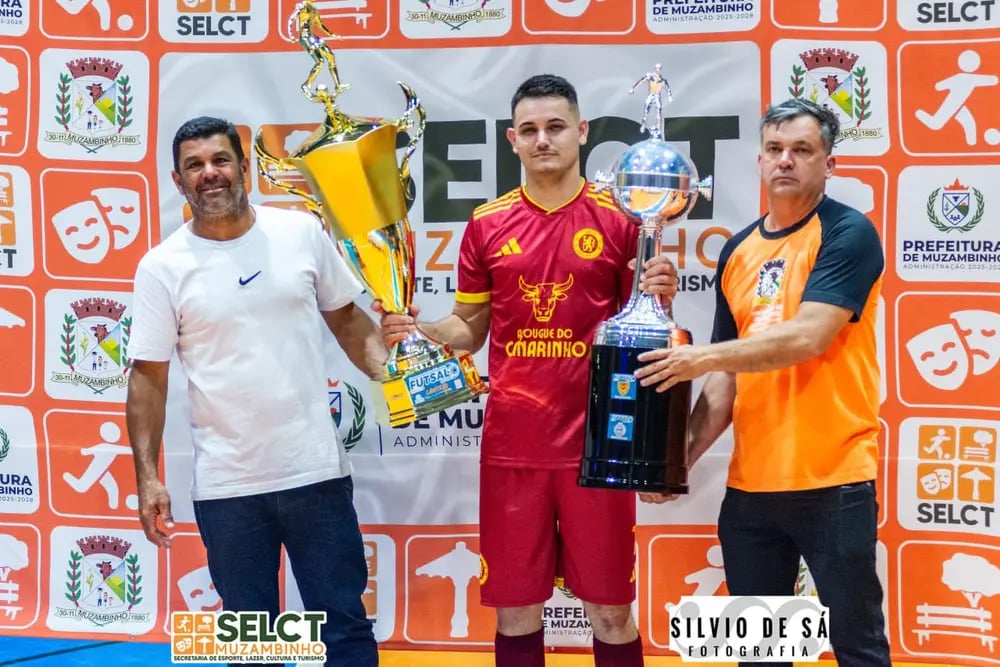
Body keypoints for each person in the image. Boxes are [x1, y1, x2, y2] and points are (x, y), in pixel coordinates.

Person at [378, 74, 679, 667]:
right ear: (512, 139)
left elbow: (645, 332)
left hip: (599, 448)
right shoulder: (486, 223)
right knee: (515, 612)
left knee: (611, 612)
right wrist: (422, 331)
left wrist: (662, 296)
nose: (543, 140)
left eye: (556, 127)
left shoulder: (624, 220)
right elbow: (469, 327)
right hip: (514, 446)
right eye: (530, 129)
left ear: (582, 132)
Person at [635, 98, 891, 667]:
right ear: (759, 160)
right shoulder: (738, 250)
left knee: (857, 647)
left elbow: (808, 337)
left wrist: (699, 358)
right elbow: (725, 380)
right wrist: (676, 462)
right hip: (751, 489)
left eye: (802, 150)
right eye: (774, 149)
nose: (785, 161)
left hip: (834, 482)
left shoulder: (848, 233)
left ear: (829, 163)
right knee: (760, 653)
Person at [125, 116, 384, 667]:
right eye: (194, 165)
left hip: (314, 473)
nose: (209, 173)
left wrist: (401, 373)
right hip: (228, 487)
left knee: (342, 628)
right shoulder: (161, 268)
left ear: (245, 167)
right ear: (177, 181)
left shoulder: (300, 233)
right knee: (253, 644)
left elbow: (347, 320)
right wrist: (147, 478)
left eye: (220, 160)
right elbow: (148, 377)